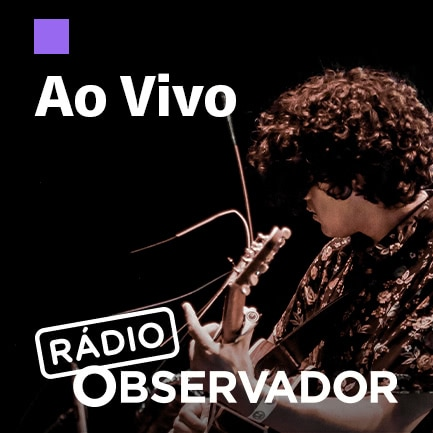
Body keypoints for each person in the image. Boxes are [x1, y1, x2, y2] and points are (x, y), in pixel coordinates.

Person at [170, 67, 433, 433]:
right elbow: (277, 365)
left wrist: (251, 400)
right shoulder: (336, 256)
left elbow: (390, 421)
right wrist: (218, 390)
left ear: (353, 175)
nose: (302, 197)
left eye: (307, 179)